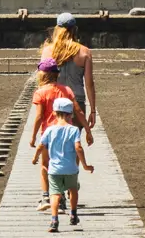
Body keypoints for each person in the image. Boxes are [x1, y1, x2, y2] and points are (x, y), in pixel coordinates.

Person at [30, 57, 91, 210]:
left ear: (43, 74)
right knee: (65, 162)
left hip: (49, 132)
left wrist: (33, 137)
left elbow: (38, 116)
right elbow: (78, 111)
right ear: (57, 74)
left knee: (45, 165)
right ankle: (63, 195)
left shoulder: (40, 92)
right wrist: (88, 131)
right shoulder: (67, 90)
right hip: (67, 132)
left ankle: (46, 197)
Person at [32, 97, 94, 233]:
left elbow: (41, 146)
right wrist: (85, 165)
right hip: (71, 169)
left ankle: (54, 220)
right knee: (73, 190)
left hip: (54, 170)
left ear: (54, 113)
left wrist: (35, 158)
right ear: (71, 114)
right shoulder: (74, 130)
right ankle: (73, 214)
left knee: (55, 195)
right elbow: (78, 147)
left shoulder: (49, 130)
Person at [39, 13, 97, 131]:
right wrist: (92, 110)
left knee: (53, 142)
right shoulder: (85, 52)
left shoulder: (47, 51)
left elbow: (42, 81)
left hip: (53, 102)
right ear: (74, 29)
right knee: (73, 142)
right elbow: (89, 84)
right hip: (76, 103)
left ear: (57, 29)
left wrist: (40, 108)